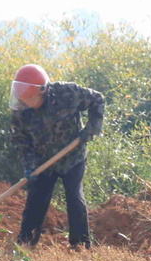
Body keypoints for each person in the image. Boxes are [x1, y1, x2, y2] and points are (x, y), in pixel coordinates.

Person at [7, 64, 104, 249]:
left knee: (74, 197)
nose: (26, 102)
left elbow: (97, 99)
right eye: (23, 98)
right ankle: (26, 244)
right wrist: (29, 166)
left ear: (42, 91)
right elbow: (19, 139)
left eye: (30, 98)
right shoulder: (21, 110)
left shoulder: (67, 93)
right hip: (42, 162)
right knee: (36, 199)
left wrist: (91, 130)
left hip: (72, 156)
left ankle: (80, 245)